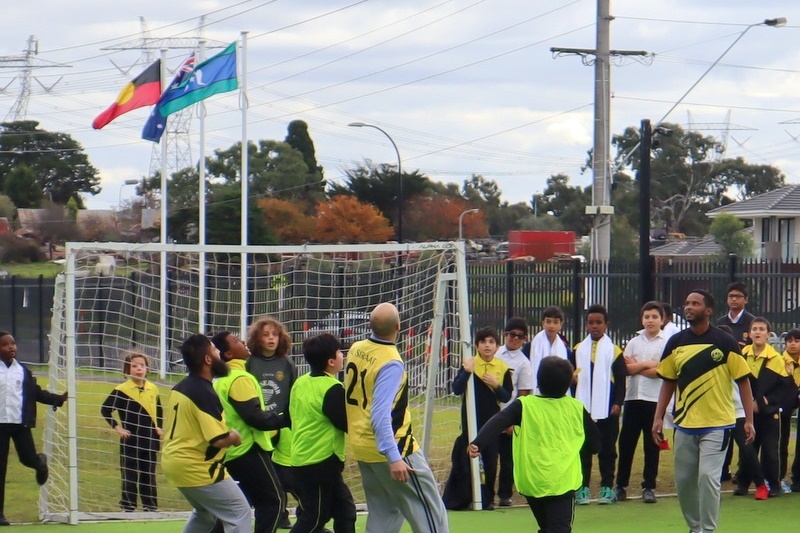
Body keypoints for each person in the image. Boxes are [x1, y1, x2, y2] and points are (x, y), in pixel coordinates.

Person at [653, 290, 755, 533]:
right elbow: (668, 381)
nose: (689, 307)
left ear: (708, 311)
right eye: (687, 303)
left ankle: (707, 530)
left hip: (717, 425)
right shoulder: (676, 342)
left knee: (707, 478)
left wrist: (749, 419)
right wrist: (658, 417)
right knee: (686, 482)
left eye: (695, 304)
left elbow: (743, 381)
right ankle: (695, 527)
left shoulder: (725, 342)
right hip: (685, 424)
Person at [345, 302, 449, 533]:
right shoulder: (391, 362)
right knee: (430, 512)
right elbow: (380, 414)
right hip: (396, 448)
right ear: (399, 326)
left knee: (385, 514)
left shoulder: (357, 348)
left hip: (362, 447)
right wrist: (394, 457)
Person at [468, 356, 600, 533]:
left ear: (538, 381)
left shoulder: (525, 405)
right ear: (568, 384)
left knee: (547, 527)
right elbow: (595, 445)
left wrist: (478, 443)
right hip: (562, 482)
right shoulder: (576, 407)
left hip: (533, 481)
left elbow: (499, 420)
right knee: (559, 529)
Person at [161, 333, 251, 533]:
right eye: (215, 350)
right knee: (239, 511)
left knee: (205, 514)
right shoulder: (204, 393)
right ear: (208, 359)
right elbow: (219, 440)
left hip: (174, 462)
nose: (220, 354)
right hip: (197, 466)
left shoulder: (181, 387)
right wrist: (234, 438)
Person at [211, 331, 287, 533]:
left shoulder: (220, 379)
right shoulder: (239, 378)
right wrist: (285, 419)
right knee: (274, 502)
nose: (243, 342)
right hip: (247, 450)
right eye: (236, 341)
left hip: (231, 453)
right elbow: (254, 417)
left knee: (235, 509)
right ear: (227, 354)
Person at [289, 333, 356, 533]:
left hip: (304, 459)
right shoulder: (332, 388)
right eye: (339, 351)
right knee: (315, 517)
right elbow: (345, 423)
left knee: (345, 510)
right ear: (330, 361)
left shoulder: (300, 382)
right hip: (319, 462)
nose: (342, 355)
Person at [0, 331, 67, 526]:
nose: (11, 347)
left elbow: (35, 393)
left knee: (27, 458)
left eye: (13, 343)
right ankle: (0, 514)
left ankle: (40, 463)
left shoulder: (23, 371)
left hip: (20, 424)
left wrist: (57, 399)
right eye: (5, 345)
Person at [446, 326, 512, 510]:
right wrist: (466, 372)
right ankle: (462, 498)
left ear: (498, 346)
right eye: (483, 342)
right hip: (470, 423)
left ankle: (487, 499)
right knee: (467, 462)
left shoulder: (502, 368)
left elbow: (506, 397)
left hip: (492, 425)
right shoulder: (469, 364)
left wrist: (497, 385)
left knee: (490, 463)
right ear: (476, 346)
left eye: (491, 342)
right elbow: (456, 389)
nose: (487, 346)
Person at [246, 317, 297, 529]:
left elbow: (294, 393)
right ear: (257, 338)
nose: (270, 339)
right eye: (265, 335)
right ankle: (269, 513)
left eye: (274, 335)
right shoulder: (250, 363)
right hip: (260, 427)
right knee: (265, 476)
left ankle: (290, 514)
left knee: (287, 473)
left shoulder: (287, 364)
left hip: (283, 427)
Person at [573, 304, 625, 505]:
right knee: (583, 448)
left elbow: (620, 381)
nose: (594, 326)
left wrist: (617, 403)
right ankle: (582, 488)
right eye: (591, 322)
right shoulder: (578, 350)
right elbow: (571, 377)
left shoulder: (614, 351)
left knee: (607, 449)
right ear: (586, 325)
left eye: (598, 322)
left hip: (607, 409)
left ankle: (606, 488)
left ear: (606, 325)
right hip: (583, 408)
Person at [615, 301, 667, 504]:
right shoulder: (634, 342)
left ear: (662, 319)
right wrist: (646, 364)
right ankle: (621, 486)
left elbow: (661, 372)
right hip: (633, 398)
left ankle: (649, 486)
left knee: (652, 444)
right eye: (647, 317)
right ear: (642, 319)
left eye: (654, 317)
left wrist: (637, 366)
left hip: (654, 400)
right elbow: (626, 369)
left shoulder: (666, 343)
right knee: (627, 443)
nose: (650, 320)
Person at [100, 352, 163, 512]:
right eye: (134, 366)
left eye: (142, 365)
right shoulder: (122, 390)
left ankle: (150, 506)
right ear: (127, 369)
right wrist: (118, 427)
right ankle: (128, 506)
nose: (138, 369)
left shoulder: (153, 389)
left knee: (148, 474)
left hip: (149, 439)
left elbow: (159, 410)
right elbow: (105, 409)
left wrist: (158, 426)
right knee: (130, 473)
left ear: (147, 369)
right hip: (130, 440)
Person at [740, 317, 792, 498]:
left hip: (769, 414)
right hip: (746, 413)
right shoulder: (742, 355)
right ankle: (743, 483)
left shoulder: (776, 359)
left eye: (761, 329)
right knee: (748, 449)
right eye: (754, 329)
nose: (757, 332)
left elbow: (785, 387)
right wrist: (747, 404)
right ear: (749, 333)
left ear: (769, 335)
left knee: (770, 451)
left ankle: (774, 485)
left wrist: (763, 402)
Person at [717, 325, 767, 501]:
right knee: (716, 451)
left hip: (738, 412)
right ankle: (713, 487)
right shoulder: (710, 359)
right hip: (717, 412)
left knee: (747, 450)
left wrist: (755, 406)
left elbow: (752, 384)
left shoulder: (738, 359)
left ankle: (761, 485)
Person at [494, 317, 533, 507]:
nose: (515, 339)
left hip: (508, 415)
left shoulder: (524, 363)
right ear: (505, 335)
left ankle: (505, 494)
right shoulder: (494, 353)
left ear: (524, 339)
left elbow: (524, 394)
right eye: (512, 335)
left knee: (508, 459)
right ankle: (484, 493)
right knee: (489, 456)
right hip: (491, 413)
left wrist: (513, 420)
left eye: (520, 336)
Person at [528, 306, 573, 393]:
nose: (551, 326)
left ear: (561, 325)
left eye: (555, 322)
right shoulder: (533, 344)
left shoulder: (564, 347)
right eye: (548, 322)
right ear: (543, 323)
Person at [716, 282, 755, 349]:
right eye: (731, 296)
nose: (734, 299)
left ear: (746, 300)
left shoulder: (752, 322)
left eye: (738, 296)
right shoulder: (720, 322)